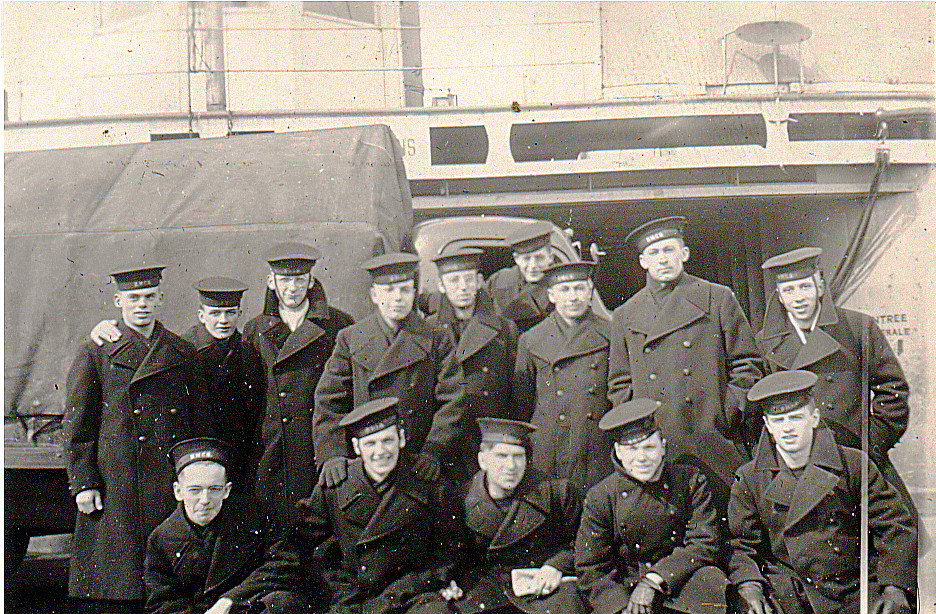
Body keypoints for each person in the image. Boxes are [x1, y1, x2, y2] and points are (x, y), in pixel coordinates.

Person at [247, 397, 467, 614]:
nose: (380, 452)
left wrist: (420, 584)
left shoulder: (428, 483)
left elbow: (450, 550)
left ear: (401, 439)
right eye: (370, 443)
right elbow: (300, 544)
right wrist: (332, 585)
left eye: (387, 440)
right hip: (351, 597)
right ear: (356, 447)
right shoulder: (336, 485)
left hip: (410, 595)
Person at [64, 264, 197, 610]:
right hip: (117, 480)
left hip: (166, 479)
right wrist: (83, 483)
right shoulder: (96, 351)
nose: (142, 305)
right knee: (119, 587)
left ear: (160, 300)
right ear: (118, 301)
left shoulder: (180, 351)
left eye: (149, 297)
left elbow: (198, 422)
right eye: (133, 298)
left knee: (165, 585)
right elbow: (78, 425)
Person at [728, 370, 916, 614]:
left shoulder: (853, 464)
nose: (787, 429)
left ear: (815, 418)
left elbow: (895, 525)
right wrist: (750, 585)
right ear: (767, 426)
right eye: (779, 421)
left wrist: (894, 587)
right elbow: (742, 545)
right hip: (790, 593)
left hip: (853, 588)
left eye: (796, 418)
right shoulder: (750, 478)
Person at [606, 216, 762, 506]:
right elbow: (619, 383)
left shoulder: (717, 298)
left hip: (712, 434)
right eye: (654, 253)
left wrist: (725, 413)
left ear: (684, 254)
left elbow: (747, 365)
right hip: (658, 443)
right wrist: (640, 433)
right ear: (643, 261)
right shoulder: (626, 314)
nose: (662, 259)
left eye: (669, 250)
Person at [756, 248, 916, 515]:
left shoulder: (857, 327)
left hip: (858, 457)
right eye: (789, 290)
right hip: (802, 464)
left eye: (804, 287)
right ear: (780, 298)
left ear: (819, 286)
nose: (798, 298)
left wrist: (871, 442)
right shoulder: (765, 343)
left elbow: (893, 389)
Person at [313, 252, 465, 486]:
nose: (398, 298)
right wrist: (332, 454)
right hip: (368, 461)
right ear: (374, 295)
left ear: (414, 293)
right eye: (389, 291)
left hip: (419, 463)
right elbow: (328, 399)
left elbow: (453, 399)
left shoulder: (436, 338)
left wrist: (434, 451)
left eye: (405, 290)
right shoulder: (351, 338)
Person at [575, 399, 727, 614]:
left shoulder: (689, 480)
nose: (642, 458)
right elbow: (590, 567)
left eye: (649, 447)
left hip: (679, 576)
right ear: (618, 452)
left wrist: (654, 580)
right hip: (625, 585)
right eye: (632, 449)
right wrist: (619, 606)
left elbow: (704, 542)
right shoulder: (602, 496)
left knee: (711, 587)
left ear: (663, 448)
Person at [243, 242, 354, 531]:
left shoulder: (338, 324)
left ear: (311, 281)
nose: (292, 288)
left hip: (319, 443)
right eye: (284, 280)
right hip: (272, 447)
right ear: (272, 282)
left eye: (299, 280)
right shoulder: (255, 329)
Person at [457, 417, 585, 614]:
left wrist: (556, 566)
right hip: (488, 591)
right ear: (483, 460)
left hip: (545, 588)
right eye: (501, 456)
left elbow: (586, 542)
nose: (511, 466)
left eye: (518, 456)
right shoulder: (461, 500)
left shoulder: (557, 493)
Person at [144, 437, 286, 614]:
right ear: (178, 491)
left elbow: (283, 565)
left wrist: (230, 600)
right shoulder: (161, 539)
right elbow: (163, 604)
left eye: (214, 489)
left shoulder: (256, 516)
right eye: (195, 490)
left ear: (227, 490)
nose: (205, 500)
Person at [514, 261, 613, 492]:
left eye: (579, 288)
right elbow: (522, 403)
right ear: (551, 295)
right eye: (565, 290)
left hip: (595, 446)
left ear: (590, 291)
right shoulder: (530, 340)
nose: (573, 297)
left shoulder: (610, 333)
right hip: (549, 448)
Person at [426, 248, 519, 479]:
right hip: (443, 439)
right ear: (441, 285)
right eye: (454, 280)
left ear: (479, 281)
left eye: (469, 279)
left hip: (487, 436)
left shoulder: (505, 329)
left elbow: (517, 391)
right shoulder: (427, 330)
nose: (463, 287)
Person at [486, 221, 556, 333]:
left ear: (550, 258)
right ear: (516, 259)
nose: (533, 266)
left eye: (539, 258)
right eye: (527, 259)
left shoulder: (559, 285)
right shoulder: (499, 279)